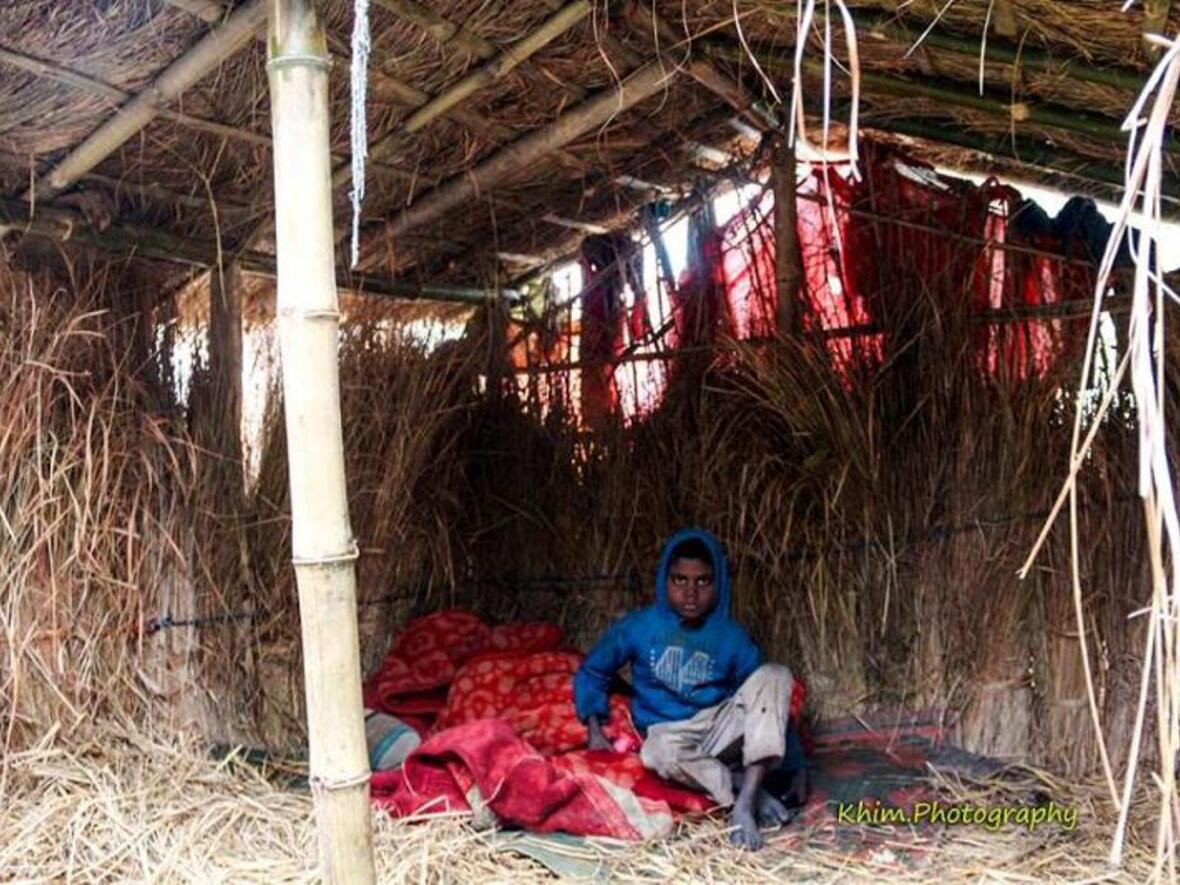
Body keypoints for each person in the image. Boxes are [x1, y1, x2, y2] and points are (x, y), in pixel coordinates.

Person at [573, 528, 800, 850]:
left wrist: (796, 767)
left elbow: (766, 701)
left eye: (702, 581)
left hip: (720, 726)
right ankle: (745, 788)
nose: (690, 593)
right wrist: (594, 727)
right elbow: (593, 671)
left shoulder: (732, 637)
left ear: (718, 584)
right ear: (665, 580)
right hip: (670, 735)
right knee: (656, 752)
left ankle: (744, 805)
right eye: (680, 580)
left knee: (775, 674)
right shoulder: (638, 627)